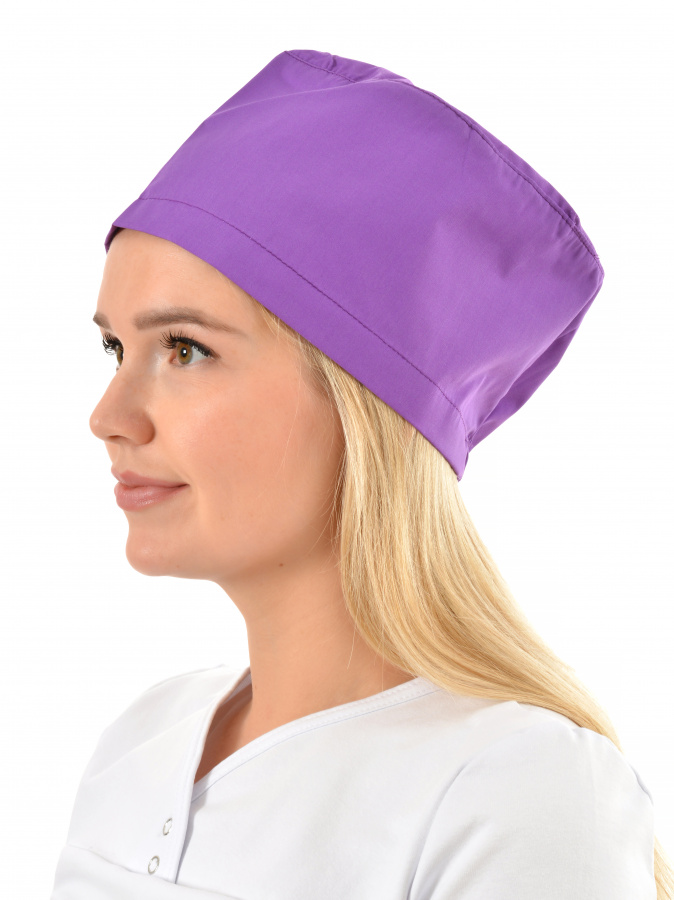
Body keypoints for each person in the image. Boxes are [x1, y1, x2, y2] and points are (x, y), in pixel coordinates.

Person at [50, 49, 672, 899]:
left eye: (185, 349)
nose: (109, 416)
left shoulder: (517, 792)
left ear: (361, 404)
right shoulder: (141, 740)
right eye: (115, 348)